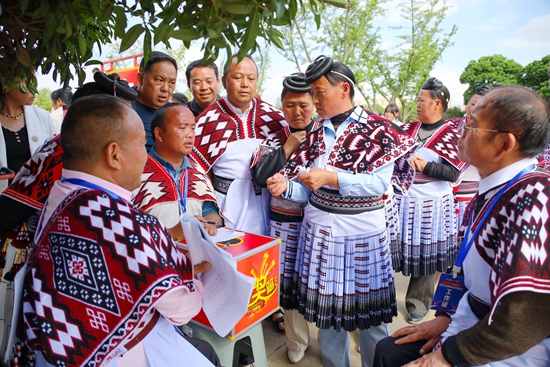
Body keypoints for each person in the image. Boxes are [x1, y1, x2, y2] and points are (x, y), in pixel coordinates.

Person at [19, 94, 217, 367]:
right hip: (120, 353)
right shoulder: (123, 222)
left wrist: (160, 237)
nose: (146, 154)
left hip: (53, 352)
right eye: (141, 145)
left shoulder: (60, 195)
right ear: (114, 155)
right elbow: (182, 310)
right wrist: (191, 278)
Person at [374, 85, 550, 367]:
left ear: (505, 144)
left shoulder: (532, 201)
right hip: (472, 319)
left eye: (471, 125)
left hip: (510, 345)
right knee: (388, 350)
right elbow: (460, 265)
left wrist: (446, 356)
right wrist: (443, 318)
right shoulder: (495, 188)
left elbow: (525, 321)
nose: (460, 130)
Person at [266, 55, 415, 367]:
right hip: (320, 234)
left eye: (319, 92)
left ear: (344, 89)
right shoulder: (316, 132)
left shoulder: (380, 130)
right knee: (328, 317)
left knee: (371, 320)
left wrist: (331, 178)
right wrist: (285, 187)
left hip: (362, 236)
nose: (314, 100)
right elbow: (306, 189)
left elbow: (377, 184)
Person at [250, 73, 318, 363]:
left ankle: (335, 335)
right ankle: (297, 338)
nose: (297, 111)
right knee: (288, 281)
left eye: (303, 104)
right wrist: (288, 145)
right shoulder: (273, 137)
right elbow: (258, 177)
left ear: (314, 102)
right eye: (290, 105)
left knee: (323, 282)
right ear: (282, 105)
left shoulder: (326, 135)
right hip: (283, 223)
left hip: (318, 221)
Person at [193, 54, 288, 236]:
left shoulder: (275, 118)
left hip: (271, 206)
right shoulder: (205, 122)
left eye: (251, 78)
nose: (245, 84)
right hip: (227, 208)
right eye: (238, 77)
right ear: (224, 81)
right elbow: (198, 175)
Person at [395, 77, 465, 324]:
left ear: (437, 104)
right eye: (417, 100)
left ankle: (418, 304)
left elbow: (454, 173)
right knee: (393, 248)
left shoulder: (451, 134)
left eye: (421, 100)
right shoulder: (407, 129)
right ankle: (382, 297)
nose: (417, 104)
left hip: (432, 203)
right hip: (402, 199)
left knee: (426, 253)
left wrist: (427, 166)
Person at [133, 103, 222, 236]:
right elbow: (130, 228)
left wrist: (209, 224)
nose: (190, 135)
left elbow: (210, 212)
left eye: (192, 128)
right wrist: (173, 233)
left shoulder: (198, 171)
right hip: (155, 254)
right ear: (159, 134)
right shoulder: (136, 172)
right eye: (182, 127)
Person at [0, 79, 55, 193]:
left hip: (34, 200)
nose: (34, 88)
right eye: (28, 82)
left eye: (35, 81)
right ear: (6, 84)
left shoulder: (42, 117)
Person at [454, 85, 494, 227]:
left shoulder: (492, 133)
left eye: (482, 105)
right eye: (473, 104)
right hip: (447, 198)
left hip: (475, 196)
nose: (475, 108)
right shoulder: (450, 127)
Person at [132, 51, 178, 151]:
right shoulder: (123, 108)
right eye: (159, 80)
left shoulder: (173, 113)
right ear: (141, 78)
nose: (165, 88)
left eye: (171, 83)